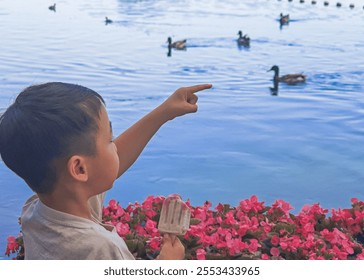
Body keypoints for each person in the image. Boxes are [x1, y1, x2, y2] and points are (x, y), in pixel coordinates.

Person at [0, 82, 212, 259]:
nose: (115, 147)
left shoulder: (36, 212)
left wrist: (164, 112)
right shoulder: (101, 249)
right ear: (80, 168)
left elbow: (111, 161)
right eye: (109, 140)